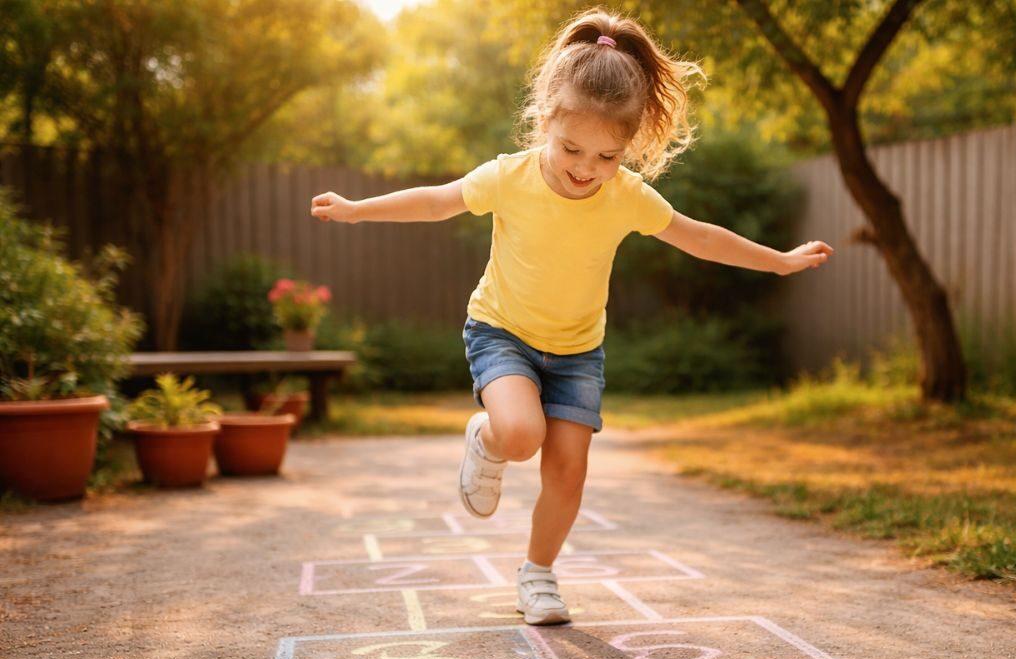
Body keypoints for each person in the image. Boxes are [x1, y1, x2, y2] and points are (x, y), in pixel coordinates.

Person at [309, 8, 833, 625]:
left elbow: (702, 238)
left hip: (579, 351)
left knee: (568, 470)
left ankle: (537, 577)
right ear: (546, 120)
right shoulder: (508, 177)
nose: (587, 168)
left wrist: (777, 261)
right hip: (502, 332)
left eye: (609, 156)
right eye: (572, 148)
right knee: (521, 435)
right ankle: (487, 437)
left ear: (630, 147)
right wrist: (356, 209)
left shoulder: (626, 196)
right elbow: (435, 201)